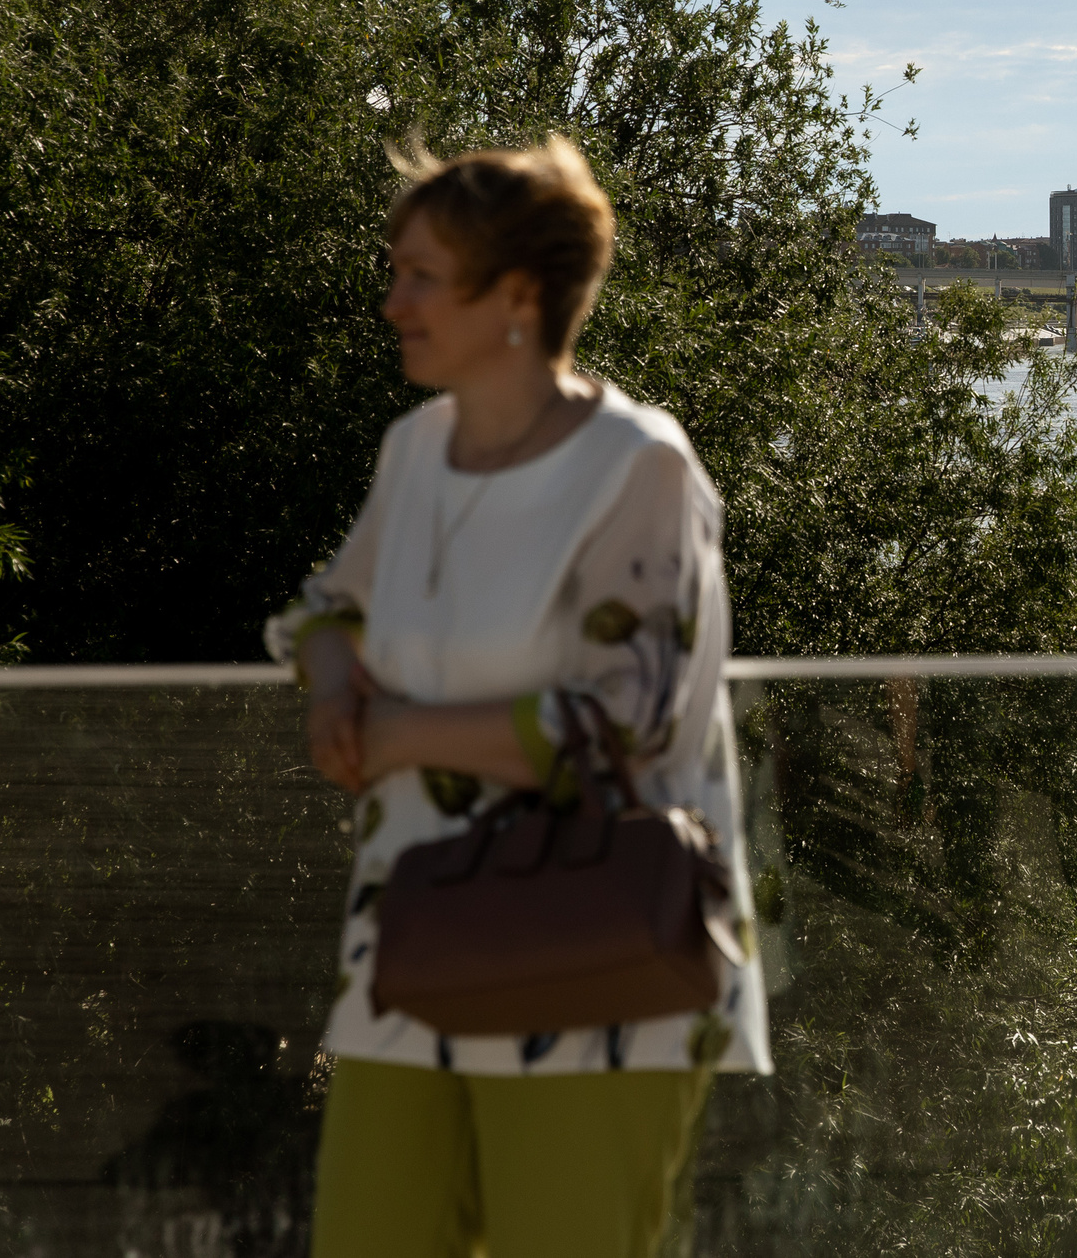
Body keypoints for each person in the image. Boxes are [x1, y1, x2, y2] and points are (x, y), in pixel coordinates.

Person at [265, 136, 770, 1258]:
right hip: (415, 945)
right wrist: (334, 693)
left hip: (600, 960)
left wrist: (396, 734)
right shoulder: (416, 451)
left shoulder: (640, 466)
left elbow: (628, 718)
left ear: (519, 297)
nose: (392, 302)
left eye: (421, 277)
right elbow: (324, 608)